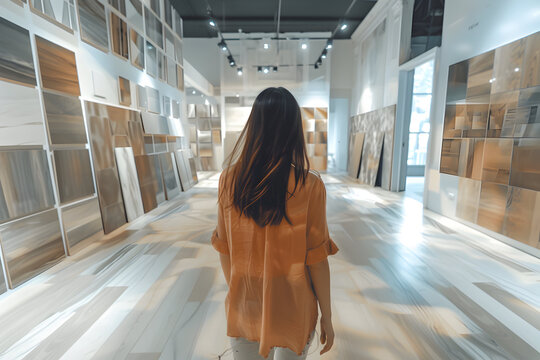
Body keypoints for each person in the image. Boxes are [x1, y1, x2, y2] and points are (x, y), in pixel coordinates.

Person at [211, 87, 338, 360]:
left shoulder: (228, 181)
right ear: (294, 130)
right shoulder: (310, 185)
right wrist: (327, 315)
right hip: (293, 300)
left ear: (254, 126)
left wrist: (242, 285)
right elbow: (316, 260)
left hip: (245, 298)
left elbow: (225, 250)